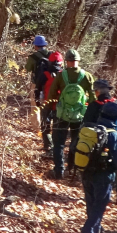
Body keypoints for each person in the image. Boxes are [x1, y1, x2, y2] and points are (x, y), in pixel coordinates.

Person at [46, 49, 95, 179]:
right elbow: (93, 97)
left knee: (59, 143)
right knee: (76, 142)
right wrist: (90, 113)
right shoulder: (87, 76)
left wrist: (52, 108)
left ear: (66, 62)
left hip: (61, 114)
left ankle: (59, 171)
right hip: (79, 115)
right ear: (78, 61)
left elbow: (51, 94)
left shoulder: (61, 75)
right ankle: (72, 170)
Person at [79, 101, 117, 233]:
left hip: (86, 171)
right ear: (116, 117)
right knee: (99, 204)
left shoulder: (88, 130)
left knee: (91, 202)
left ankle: (95, 228)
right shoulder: (116, 137)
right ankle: (88, 230)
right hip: (104, 175)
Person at [34, 50, 63, 156]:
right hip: (60, 106)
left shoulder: (44, 74)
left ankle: (48, 147)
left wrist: (37, 102)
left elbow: (37, 89)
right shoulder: (64, 75)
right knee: (57, 128)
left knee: (45, 126)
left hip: (46, 104)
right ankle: (56, 148)